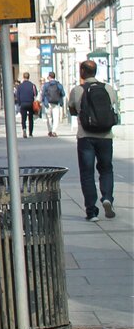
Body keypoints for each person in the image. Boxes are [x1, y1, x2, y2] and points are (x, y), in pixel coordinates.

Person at [67, 59, 118, 222]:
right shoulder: (108, 89)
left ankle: (91, 211)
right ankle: (107, 197)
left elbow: (72, 110)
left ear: (82, 72)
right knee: (106, 168)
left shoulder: (77, 90)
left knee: (87, 173)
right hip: (105, 136)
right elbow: (113, 106)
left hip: (85, 137)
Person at [40, 71, 66, 137]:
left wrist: (42, 101)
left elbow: (43, 94)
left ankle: (50, 131)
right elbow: (63, 94)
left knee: (49, 117)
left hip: (47, 103)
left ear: (49, 77)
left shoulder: (46, 85)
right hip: (56, 103)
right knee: (56, 117)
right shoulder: (58, 84)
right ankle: (54, 131)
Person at [14, 71, 37, 138]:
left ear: (23, 77)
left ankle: (24, 129)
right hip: (30, 103)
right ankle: (30, 133)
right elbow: (35, 94)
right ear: (29, 77)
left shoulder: (20, 86)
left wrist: (19, 103)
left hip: (23, 103)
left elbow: (17, 95)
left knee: (23, 118)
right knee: (30, 118)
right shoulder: (32, 85)